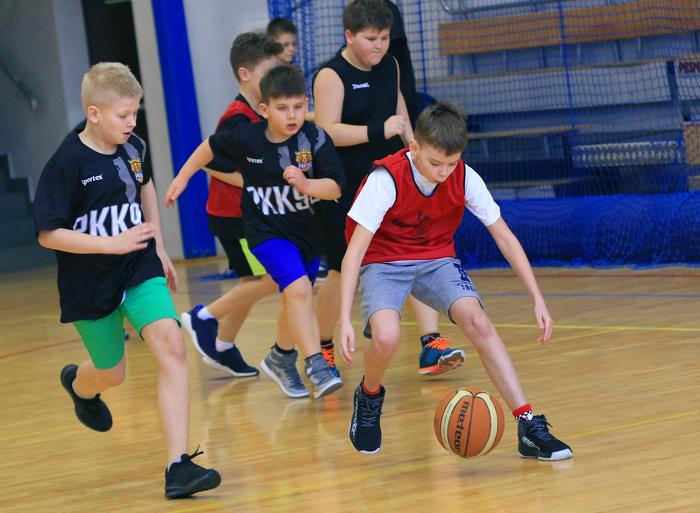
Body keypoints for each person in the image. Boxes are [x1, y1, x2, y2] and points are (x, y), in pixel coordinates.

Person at [339, 103, 573, 461]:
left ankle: (527, 425)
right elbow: (354, 252)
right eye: (436, 163)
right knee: (386, 337)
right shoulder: (385, 179)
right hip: (384, 261)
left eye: (452, 163)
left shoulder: (464, 177)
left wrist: (537, 298)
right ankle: (369, 397)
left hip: (436, 258)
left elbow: (504, 237)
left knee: (480, 322)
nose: (444, 172)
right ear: (414, 147)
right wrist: (344, 319)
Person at [33, 62, 221, 498]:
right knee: (111, 373)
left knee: (172, 345)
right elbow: (47, 234)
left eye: (136, 112)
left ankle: (178, 467)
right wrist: (108, 244)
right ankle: (79, 386)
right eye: (123, 114)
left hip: (138, 266)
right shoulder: (66, 163)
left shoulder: (133, 146)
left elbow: (145, 185)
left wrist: (157, 244)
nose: (132, 121)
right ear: (94, 113)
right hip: (89, 281)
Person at [166, 65, 345, 400]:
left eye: (297, 107)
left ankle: (281, 356)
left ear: (306, 105)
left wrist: (307, 185)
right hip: (266, 233)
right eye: (282, 108)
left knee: (296, 296)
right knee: (298, 289)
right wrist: (183, 176)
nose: (291, 115)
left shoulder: (315, 138)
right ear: (264, 110)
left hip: (307, 235)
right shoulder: (247, 137)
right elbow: (209, 146)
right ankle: (316, 365)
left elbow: (334, 187)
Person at [313, 0, 464, 378]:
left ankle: (431, 344)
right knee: (339, 270)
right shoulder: (330, 75)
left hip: (390, 180)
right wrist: (376, 131)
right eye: (371, 39)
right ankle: (321, 350)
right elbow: (327, 130)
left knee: (414, 253)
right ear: (349, 36)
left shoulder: (390, 65)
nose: (379, 45)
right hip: (344, 184)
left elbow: (400, 115)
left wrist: (417, 155)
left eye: (383, 38)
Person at [180, 32, 286, 379]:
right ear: (244, 74)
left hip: (251, 213)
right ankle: (202, 317)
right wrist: (256, 182)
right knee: (273, 277)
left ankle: (223, 345)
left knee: (252, 282)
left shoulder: (260, 112)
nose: (274, 79)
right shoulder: (236, 117)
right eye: (267, 72)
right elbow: (211, 162)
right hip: (233, 216)